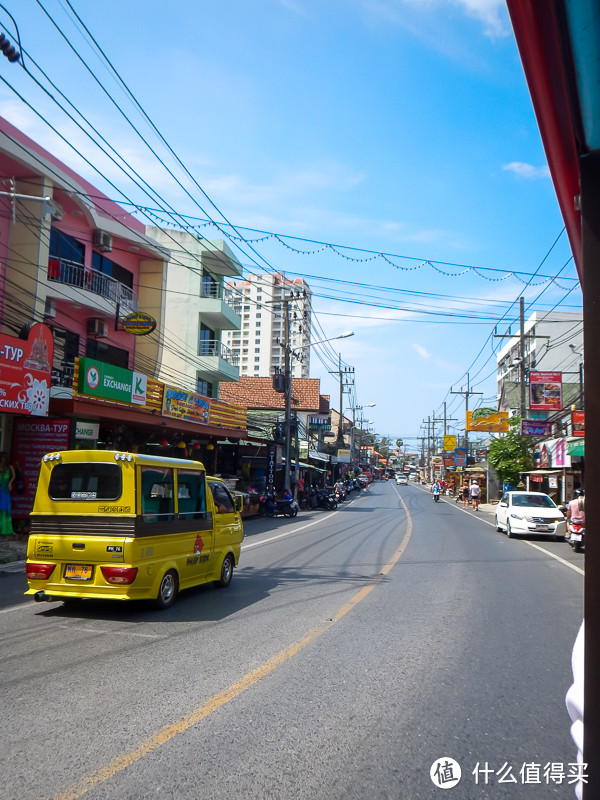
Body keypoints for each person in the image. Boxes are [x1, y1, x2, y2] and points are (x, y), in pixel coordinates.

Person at [0, 452, 15, 536]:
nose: (3, 459)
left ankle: (7, 528)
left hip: (5, 490)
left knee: (6, 508)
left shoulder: (10, 467)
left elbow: (14, 476)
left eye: (5, 457)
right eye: (2, 457)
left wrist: (10, 483)